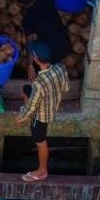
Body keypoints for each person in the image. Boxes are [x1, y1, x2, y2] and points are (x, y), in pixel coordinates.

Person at [15, 42, 68, 182]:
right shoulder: (60, 67)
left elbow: (32, 106)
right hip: (52, 103)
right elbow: (66, 86)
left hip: (41, 116)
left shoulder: (39, 83)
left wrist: (21, 117)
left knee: (40, 140)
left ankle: (42, 170)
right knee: (26, 88)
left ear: (37, 59)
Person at [14, 0, 71, 72]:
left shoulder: (27, 18)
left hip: (54, 55)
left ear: (20, 4)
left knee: (32, 46)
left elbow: (29, 42)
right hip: (67, 46)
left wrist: (30, 65)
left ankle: (46, 66)